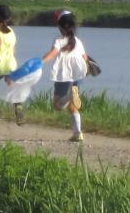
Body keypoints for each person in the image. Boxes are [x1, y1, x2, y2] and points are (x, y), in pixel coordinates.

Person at [35, 10, 97, 142]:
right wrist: (91, 67)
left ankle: (69, 96)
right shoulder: (78, 41)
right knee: (72, 106)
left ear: (60, 27)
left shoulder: (59, 40)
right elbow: (85, 57)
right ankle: (77, 133)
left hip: (64, 75)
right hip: (79, 74)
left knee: (58, 106)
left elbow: (53, 53)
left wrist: (41, 62)